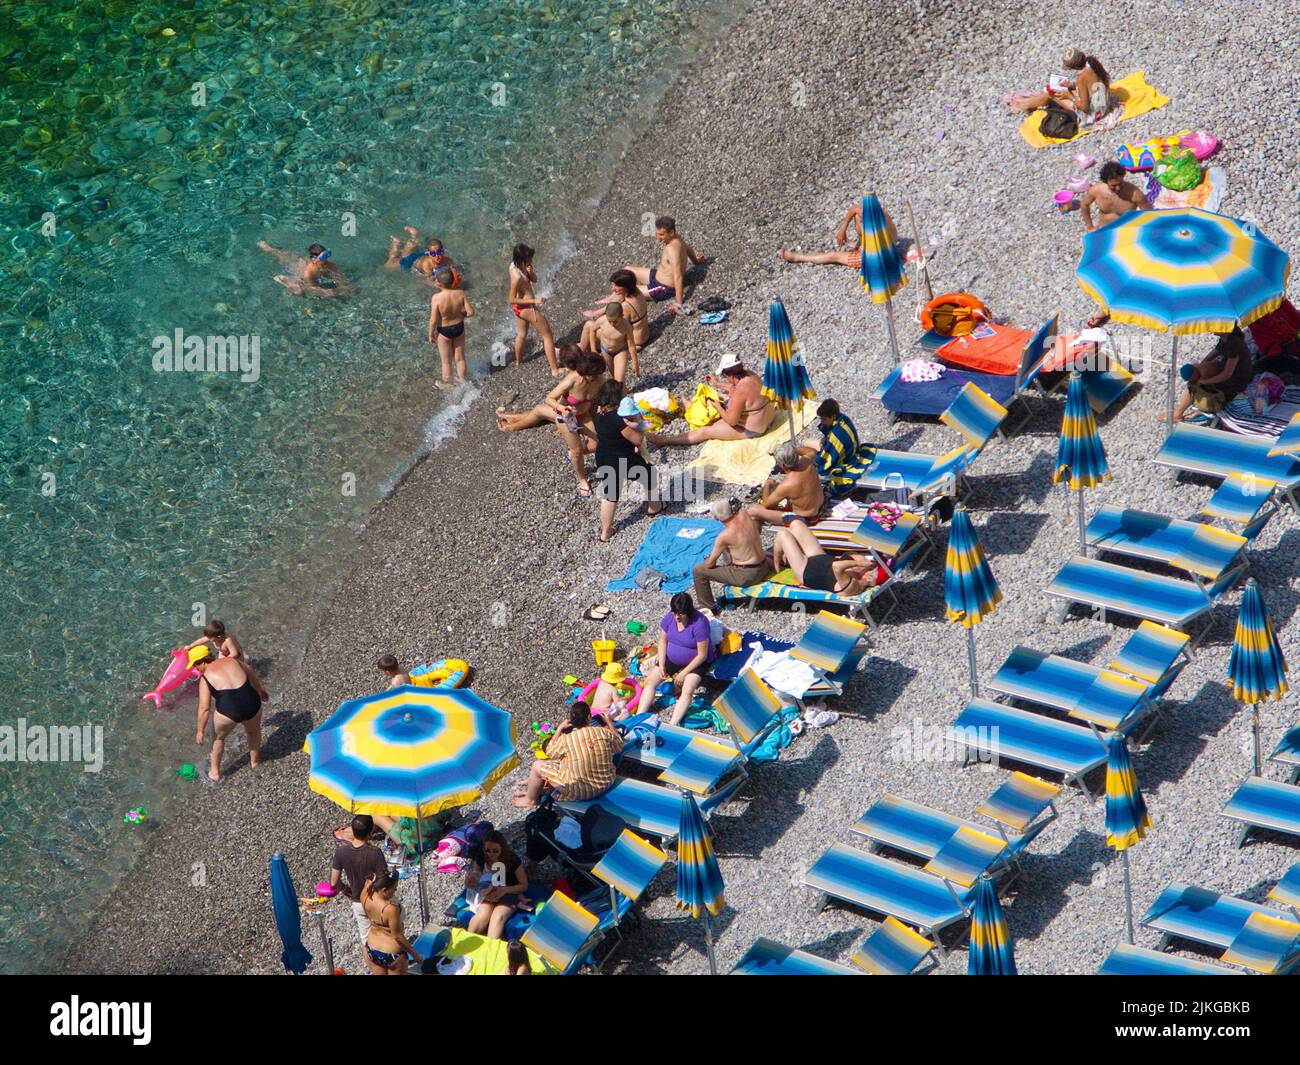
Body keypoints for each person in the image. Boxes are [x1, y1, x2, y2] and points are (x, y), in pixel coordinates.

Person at [497, 345, 606, 495]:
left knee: (595, 445)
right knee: (577, 450)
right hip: (566, 417)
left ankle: (573, 456)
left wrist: (597, 405)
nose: (596, 378)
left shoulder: (599, 379)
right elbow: (549, 398)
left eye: (598, 374)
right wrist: (562, 409)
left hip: (584, 416)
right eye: (592, 376)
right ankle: (582, 479)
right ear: (584, 373)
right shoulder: (572, 380)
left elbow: (603, 395)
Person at [585, 384, 663, 541]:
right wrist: (640, 424)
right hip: (622, 457)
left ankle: (605, 532)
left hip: (604, 455)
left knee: (610, 493)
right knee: (649, 474)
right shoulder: (618, 418)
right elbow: (636, 439)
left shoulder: (597, 410)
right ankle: (654, 506)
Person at [512, 700, 623, 808]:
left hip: (580, 792)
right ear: (589, 717)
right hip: (606, 782)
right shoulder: (602, 732)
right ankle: (535, 790)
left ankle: (530, 800)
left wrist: (559, 729)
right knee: (569, 760)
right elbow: (619, 746)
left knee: (537, 766)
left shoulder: (566, 740)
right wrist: (609, 722)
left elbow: (550, 752)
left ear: (572, 720)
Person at [649, 353, 774, 446]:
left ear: (728, 374)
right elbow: (735, 388)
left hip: (754, 428)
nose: (726, 379)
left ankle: (665, 440)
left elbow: (732, 421)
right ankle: (687, 406)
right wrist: (717, 384)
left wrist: (717, 406)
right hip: (767, 416)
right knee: (722, 398)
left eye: (725, 376)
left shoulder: (739, 392)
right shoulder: (750, 374)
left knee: (705, 430)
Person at [632, 592, 714, 725]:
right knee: (650, 681)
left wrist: (683, 673)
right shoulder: (670, 618)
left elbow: (702, 655)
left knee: (687, 689)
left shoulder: (700, 623)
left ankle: (673, 724)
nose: (677, 616)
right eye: (675, 613)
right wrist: (662, 663)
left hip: (696, 662)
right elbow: (663, 641)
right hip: (672, 657)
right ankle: (639, 716)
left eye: (680, 614)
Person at [191, 645, 269, 782]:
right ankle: (255, 762)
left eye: (195, 666)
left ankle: (215, 773)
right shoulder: (233, 661)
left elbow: (204, 708)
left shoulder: (205, 678)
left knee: (218, 739)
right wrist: (260, 690)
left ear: (202, 662)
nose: (195, 669)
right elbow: (250, 671)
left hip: (229, 711)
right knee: (253, 731)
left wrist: (200, 730)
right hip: (251, 702)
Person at [692, 497, 773, 614]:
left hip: (747, 576)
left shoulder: (724, 536)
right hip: (764, 566)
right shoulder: (745, 515)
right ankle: (731, 573)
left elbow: (710, 564)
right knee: (727, 548)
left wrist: (708, 559)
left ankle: (709, 609)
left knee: (698, 570)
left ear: (715, 518)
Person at [1160, 327, 1255, 422]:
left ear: (1224, 328)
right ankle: (1189, 407)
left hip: (1237, 382)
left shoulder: (1234, 345)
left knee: (1196, 381)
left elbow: (1227, 374)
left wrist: (1204, 381)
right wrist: (1198, 369)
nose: (1211, 328)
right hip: (1231, 374)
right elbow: (1209, 357)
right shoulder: (1226, 340)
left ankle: (1180, 413)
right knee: (1201, 370)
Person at [328, 814, 389, 948]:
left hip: (358, 901)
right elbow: (383, 878)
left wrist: (344, 889)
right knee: (389, 930)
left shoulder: (340, 852)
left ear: (352, 831)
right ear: (371, 831)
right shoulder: (375, 852)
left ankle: (373, 965)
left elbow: (333, 883)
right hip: (375, 899)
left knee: (366, 939)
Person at [772, 520, 881, 595]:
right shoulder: (858, 575)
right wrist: (859, 560)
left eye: (869, 573)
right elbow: (846, 556)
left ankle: (776, 564)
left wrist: (859, 564)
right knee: (796, 524)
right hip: (820, 557)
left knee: (783, 535)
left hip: (806, 571)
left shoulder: (852, 587)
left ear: (868, 580)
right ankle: (785, 551)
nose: (866, 572)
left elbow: (836, 566)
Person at [1008, 48, 1113, 124]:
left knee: (1050, 94)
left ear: (1075, 66)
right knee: (1056, 91)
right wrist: (1072, 85)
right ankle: (1029, 103)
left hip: (1094, 114)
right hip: (1104, 103)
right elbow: (1091, 84)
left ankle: (1023, 105)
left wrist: (1069, 96)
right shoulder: (1092, 63)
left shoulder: (1081, 78)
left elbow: (1084, 107)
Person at [625, 215, 701, 313]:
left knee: (627, 291)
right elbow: (688, 249)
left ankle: (611, 304)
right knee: (626, 270)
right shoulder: (678, 238)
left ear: (671, 232)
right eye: (657, 234)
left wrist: (678, 303)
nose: (658, 238)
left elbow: (678, 277)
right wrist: (696, 261)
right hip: (656, 276)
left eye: (661, 235)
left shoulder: (672, 249)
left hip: (664, 288)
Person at [463, 830, 528, 940]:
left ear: (502, 848)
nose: (491, 854)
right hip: (490, 889)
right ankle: (467, 946)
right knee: (483, 915)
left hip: (509, 891)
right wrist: (477, 885)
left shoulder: (512, 860)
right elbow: (478, 876)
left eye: (495, 851)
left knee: (498, 917)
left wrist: (505, 890)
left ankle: (491, 949)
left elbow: (524, 885)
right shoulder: (482, 856)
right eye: (488, 850)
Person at [508, 243, 559, 375]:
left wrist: (531, 272)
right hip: (526, 308)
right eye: (529, 259)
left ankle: (518, 363)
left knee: (521, 334)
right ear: (522, 260)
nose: (531, 261)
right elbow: (511, 299)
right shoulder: (517, 277)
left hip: (519, 308)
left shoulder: (516, 265)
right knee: (547, 335)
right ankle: (554, 369)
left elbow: (534, 280)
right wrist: (534, 300)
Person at [360, 868, 422, 975]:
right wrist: (415, 954)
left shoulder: (365, 896)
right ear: (384, 890)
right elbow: (398, 936)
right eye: (394, 889)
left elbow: (368, 881)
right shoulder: (390, 909)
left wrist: (371, 880)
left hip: (372, 948)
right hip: (392, 953)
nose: (395, 892)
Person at [748, 441, 825, 525]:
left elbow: (766, 504)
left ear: (783, 465)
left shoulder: (787, 485)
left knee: (754, 510)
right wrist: (791, 451)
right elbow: (812, 451)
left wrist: (767, 484)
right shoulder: (808, 462)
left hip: (806, 519)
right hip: (821, 505)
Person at [812, 398, 874, 498]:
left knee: (808, 447)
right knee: (811, 447)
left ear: (832, 416)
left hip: (847, 461)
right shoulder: (844, 419)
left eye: (823, 419)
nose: (822, 422)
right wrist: (825, 438)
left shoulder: (836, 436)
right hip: (854, 452)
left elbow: (825, 464)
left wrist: (816, 462)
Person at [427, 266, 474, 388]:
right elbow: (471, 312)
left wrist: (431, 333)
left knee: (446, 361)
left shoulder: (436, 298)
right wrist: (461, 315)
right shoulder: (460, 293)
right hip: (459, 328)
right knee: (460, 358)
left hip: (444, 331)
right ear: (453, 281)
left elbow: (433, 320)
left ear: (438, 282)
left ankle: (448, 385)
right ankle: (463, 382)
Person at [581, 270, 650, 350]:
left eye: (617, 286)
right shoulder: (637, 292)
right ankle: (584, 347)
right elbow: (619, 297)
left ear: (626, 287)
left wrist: (599, 322)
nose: (613, 288)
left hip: (633, 343)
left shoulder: (625, 307)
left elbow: (615, 329)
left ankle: (581, 350)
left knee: (589, 325)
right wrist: (598, 312)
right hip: (644, 335)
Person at [257, 240, 348, 297]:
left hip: (300, 262)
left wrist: (344, 286)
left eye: (327, 255)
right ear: (314, 259)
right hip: (292, 267)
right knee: (298, 291)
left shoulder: (329, 264)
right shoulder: (309, 272)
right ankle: (265, 247)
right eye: (323, 257)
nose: (326, 259)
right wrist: (325, 291)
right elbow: (310, 287)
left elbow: (339, 275)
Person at [1080, 161, 1147, 233]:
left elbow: (1149, 214)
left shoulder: (1135, 194)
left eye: (1120, 183)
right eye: (1113, 185)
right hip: (1105, 229)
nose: (1118, 188)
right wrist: (1090, 227)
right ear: (1105, 182)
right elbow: (1084, 205)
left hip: (1127, 231)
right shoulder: (1096, 191)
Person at [582, 301, 640, 383]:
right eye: (610, 321)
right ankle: (621, 391)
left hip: (620, 351)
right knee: (613, 376)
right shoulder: (602, 321)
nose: (612, 324)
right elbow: (592, 330)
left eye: (615, 321)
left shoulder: (626, 326)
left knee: (619, 379)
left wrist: (635, 363)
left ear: (622, 316)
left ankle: (622, 388)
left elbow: (631, 345)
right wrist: (593, 349)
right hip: (605, 350)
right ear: (606, 316)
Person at [385, 227, 461, 285]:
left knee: (409, 250)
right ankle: (395, 244)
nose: (437, 256)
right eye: (434, 254)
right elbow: (426, 280)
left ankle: (415, 235)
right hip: (412, 261)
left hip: (422, 256)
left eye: (439, 252)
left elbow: (455, 272)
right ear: (429, 254)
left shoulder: (448, 260)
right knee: (391, 263)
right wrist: (437, 285)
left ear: (443, 251)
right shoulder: (427, 265)